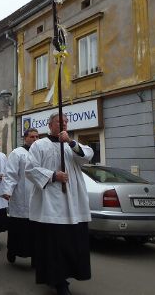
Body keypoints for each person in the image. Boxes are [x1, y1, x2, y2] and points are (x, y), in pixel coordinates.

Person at [26, 113, 93, 295]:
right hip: (50, 202)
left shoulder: (72, 144)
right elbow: (30, 170)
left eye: (65, 122)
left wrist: (70, 142)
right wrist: (54, 175)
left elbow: (86, 157)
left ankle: (66, 275)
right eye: (58, 121)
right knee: (54, 243)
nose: (62, 124)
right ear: (50, 125)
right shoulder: (39, 145)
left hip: (72, 201)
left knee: (70, 242)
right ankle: (57, 280)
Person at [1, 128, 39, 264]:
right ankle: (13, 251)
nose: (35, 140)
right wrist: (8, 191)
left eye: (37, 137)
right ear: (25, 138)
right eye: (32, 137)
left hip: (37, 196)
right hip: (21, 195)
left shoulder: (40, 153)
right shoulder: (17, 153)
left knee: (35, 230)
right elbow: (11, 174)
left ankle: (36, 256)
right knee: (19, 228)